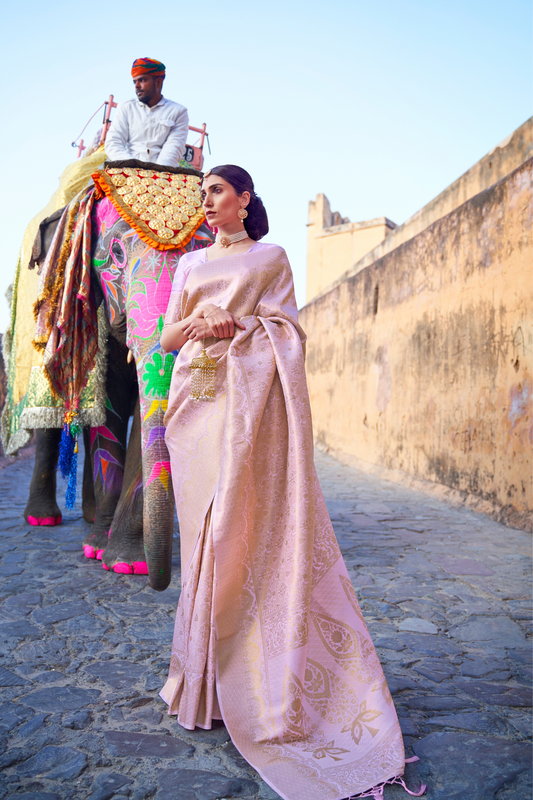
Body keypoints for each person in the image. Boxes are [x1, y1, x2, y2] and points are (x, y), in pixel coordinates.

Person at [159, 166, 426, 800]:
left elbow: (288, 334)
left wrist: (238, 324)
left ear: (244, 198)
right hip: (197, 407)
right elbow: (165, 338)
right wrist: (198, 324)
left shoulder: (271, 257)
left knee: (235, 535)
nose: (207, 202)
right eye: (203, 194)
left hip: (248, 412)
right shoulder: (190, 264)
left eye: (216, 191)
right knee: (200, 542)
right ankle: (202, 686)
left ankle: (255, 684)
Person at [105, 58, 189, 167]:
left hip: (163, 171)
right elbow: (113, 143)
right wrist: (133, 169)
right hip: (128, 168)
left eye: (142, 80)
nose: (137, 86)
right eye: (135, 82)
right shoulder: (126, 107)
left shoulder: (178, 111)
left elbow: (173, 150)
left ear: (158, 82)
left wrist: (155, 173)